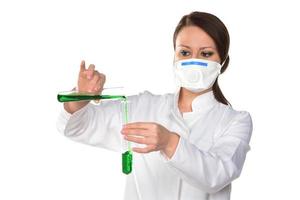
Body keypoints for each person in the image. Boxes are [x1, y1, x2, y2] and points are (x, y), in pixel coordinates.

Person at [57, 11, 253, 200]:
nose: (194, 61)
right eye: (185, 52)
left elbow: (217, 176)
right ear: (174, 57)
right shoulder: (141, 107)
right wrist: (81, 97)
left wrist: (169, 142)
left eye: (206, 53)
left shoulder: (235, 121)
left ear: (223, 62)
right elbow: (75, 128)